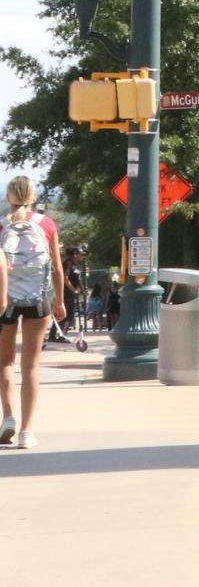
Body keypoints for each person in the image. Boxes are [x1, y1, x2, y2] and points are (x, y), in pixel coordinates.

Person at [1, 176, 66, 449]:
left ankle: (8, 418)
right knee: (31, 366)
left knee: (5, 361)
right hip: (38, 301)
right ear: (33, 196)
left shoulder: (3, 225)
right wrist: (59, 301)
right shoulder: (47, 224)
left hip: (4, 301)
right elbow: (57, 269)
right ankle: (27, 431)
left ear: (9, 197)